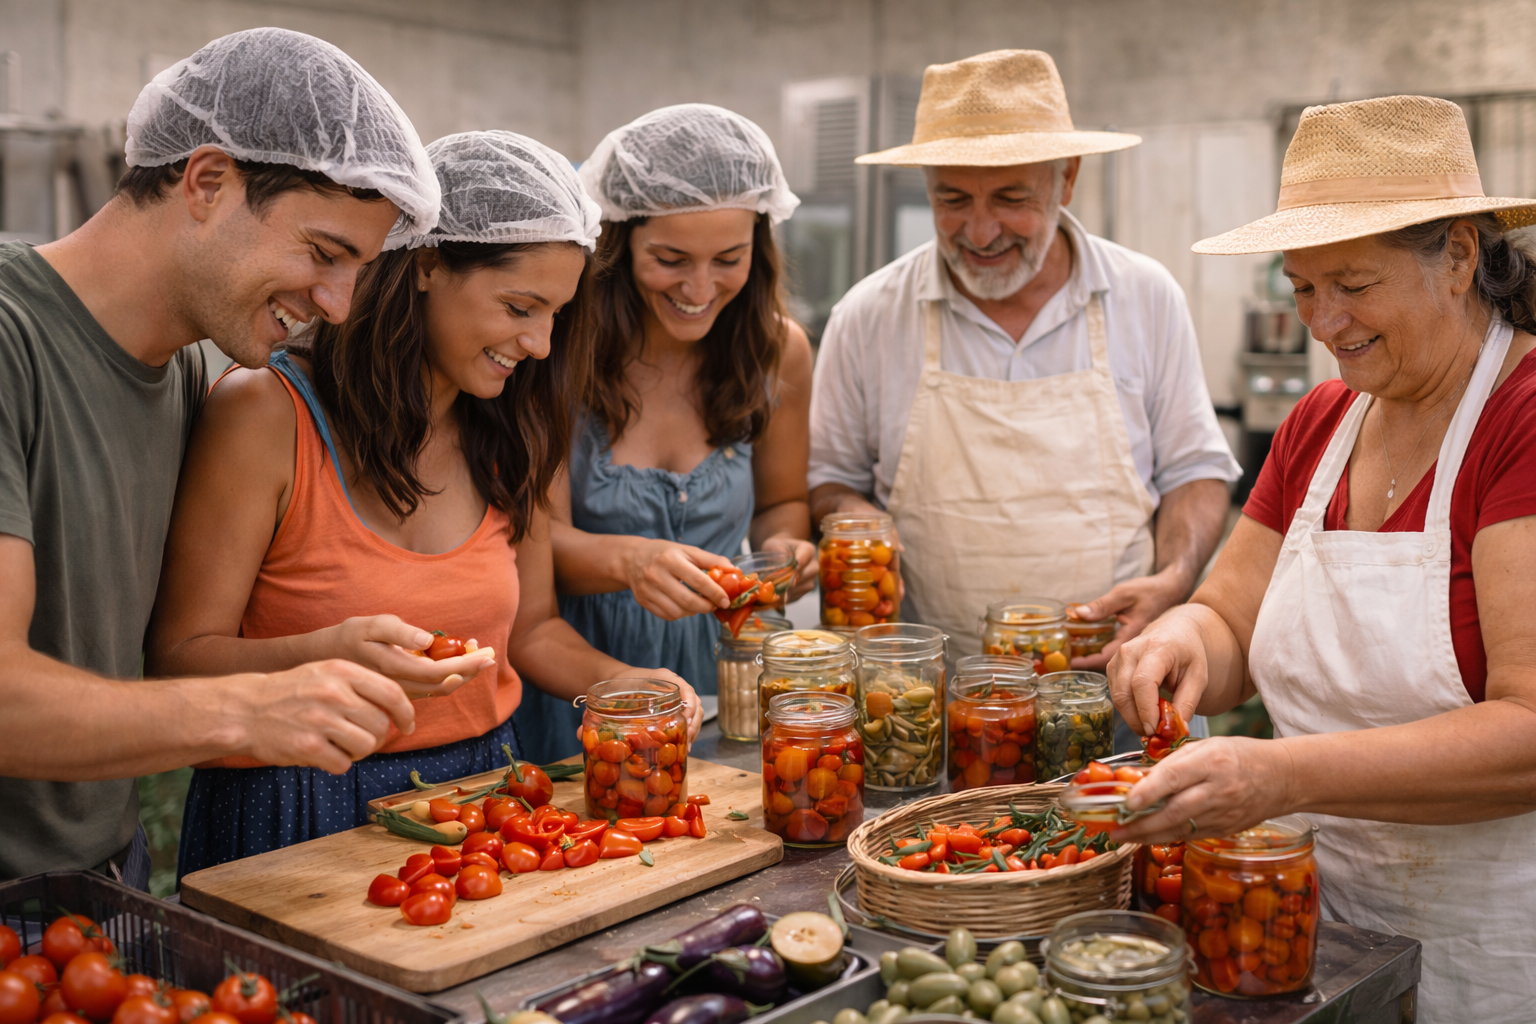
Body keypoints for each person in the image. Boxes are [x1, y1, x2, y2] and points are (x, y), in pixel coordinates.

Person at [146, 130, 701, 875]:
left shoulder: (514, 425)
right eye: (518, 306)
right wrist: (325, 654)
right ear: (428, 265)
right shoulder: (265, 415)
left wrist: (619, 682)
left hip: (488, 795)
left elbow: (531, 629)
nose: (538, 343)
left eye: (556, 316)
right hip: (295, 808)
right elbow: (180, 660)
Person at [1110, 95, 1536, 1016]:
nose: (1323, 320)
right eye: (1303, 286)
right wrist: (1181, 640)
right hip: (1295, 922)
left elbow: (1530, 729)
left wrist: (1281, 773)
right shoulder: (1322, 423)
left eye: (1353, 282)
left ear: (1460, 256)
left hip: (1486, 947)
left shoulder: (1524, 422)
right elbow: (1230, 622)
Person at [0, 27, 440, 887]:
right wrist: (243, 712)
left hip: (97, 879)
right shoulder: (12, 339)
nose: (340, 306)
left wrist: (323, 653)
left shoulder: (195, 372)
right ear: (206, 182)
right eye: (323, 253)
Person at [808, 49, 1238, 746]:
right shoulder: (869, 315)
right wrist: (856, 520)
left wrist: (1176, 577)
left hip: (1120, 690)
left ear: (1066, 179)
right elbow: (829, 482)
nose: (980, 232)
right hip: (931, 709)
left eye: (1010, 198)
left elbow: (1194, 471)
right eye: (952, 199)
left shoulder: (1143, 296)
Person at [515, 104, 816, 764]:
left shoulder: (777, 352)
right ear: (618, 246)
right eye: (671, 259)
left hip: (724, 683)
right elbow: (527, 548)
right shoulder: (555, 355)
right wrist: (632, 563)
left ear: (758, 250)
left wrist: (787, 548)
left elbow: (779, 503)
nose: (700, 288)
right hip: (579, 677)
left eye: (728, 260)